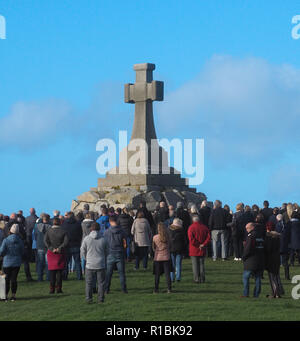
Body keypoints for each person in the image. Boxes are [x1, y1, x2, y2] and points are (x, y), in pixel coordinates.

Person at [80, 222, 109, 304]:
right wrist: (104, 257)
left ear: (91, 229)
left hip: (90, 263)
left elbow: (82, 250)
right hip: (100, 263)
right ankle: (101, 299)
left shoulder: (86, 239)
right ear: (99, 229)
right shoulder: (103, 239)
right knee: (101, 283)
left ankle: (89, 298)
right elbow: (107, 251)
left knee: (89, 283)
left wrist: (86, 258)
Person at [44, 218, 69, 294]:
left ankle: (52, 289)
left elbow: (45, 241)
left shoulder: (48, 231)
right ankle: (59, 288)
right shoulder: (63, 231)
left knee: (52, 272)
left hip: (51, 253)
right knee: (59, 272)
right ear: (60, 223)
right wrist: (59, 248)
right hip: (60, 252)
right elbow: (66, 241)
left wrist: (51, 249)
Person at [0, 224, 24, 301]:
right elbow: (22, 251)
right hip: (17, 262)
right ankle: (13, 295)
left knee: (6, 279)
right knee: (14, 279)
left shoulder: (6, 240)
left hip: (7, 262)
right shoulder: (20, 241)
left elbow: (1, 251)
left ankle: (5, 296)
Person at [104, 216, 128, 294]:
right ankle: (124, 289)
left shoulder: (107, 232)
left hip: (110, 253)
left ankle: (106, 289)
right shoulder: (122, 231)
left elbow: (105, 243)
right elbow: (125, 242)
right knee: (121, 273)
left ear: (110, 222)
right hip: (119, 252)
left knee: (108, 273)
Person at [241, 223, 265, 298]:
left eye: (247, 228)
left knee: (246, 277)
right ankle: (256, 294)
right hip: (260, 260)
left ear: (252, 228)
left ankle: (246, 294)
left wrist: (243, 257)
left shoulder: (251, 236)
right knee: (257, 278)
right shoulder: (261, 235)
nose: (246, 230)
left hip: (251, 261)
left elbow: (248, 249)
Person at [188, 215, 211, 283]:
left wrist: (198, 245)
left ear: (193, 220)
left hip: (194, 248)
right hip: (202, 248)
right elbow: (208, 237)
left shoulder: (191, 227)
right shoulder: (204, 227)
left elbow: (191, 239)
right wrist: (203, 244)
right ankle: (202, 278)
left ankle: (196, 279)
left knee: (195, 265)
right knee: (201, 264)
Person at [264, 222, 284, 298]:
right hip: (277, 258)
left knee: (272, 277)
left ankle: (275, 293)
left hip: (270, 258)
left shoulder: (268, 237)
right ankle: (278, 292)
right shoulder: (277, 236)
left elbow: (268, 249)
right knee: (276, 276)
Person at [61, 212, 83, 280]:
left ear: (67, 216)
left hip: (67, 245)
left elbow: (62, 235)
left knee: (66, 262)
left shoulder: (64, 224)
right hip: (76, 244)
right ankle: (79, 276)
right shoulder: (78, 224)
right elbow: (80, 234)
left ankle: (65, 276)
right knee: (77, 262)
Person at [152, 222, 172, 294]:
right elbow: (170, 246)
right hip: (166, 257)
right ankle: (169, 288)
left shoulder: (155, 237)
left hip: (158, 257)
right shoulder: (168, 236)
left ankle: (156, 289)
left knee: (157, 275)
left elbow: (153, 248)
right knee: (167, 274)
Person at [168, 218, 186, 282]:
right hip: (179, 249)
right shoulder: (182, 231)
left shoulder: (169, 230)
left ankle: (172, 278)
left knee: (172, 264)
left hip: (171, 249)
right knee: (178, 264)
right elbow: (184, 241)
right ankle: (178, 277)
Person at [34, 214, 51, 281]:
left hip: (40, 245)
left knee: (40, 262)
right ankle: (48, 277)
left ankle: (39, 278)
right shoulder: (50, 227)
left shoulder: (37, 227)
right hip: (47, 246)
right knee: (47, 263)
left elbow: (35, 236)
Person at [275, 214, 291, 280]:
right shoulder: (286, 225)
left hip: (279, 244)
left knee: (276, 262)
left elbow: (277, 234)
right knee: (285, 262)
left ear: (277, 219)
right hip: (285, 245)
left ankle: (276, 276)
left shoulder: (278, 225)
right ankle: (287, 276)